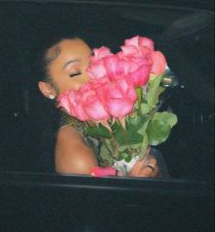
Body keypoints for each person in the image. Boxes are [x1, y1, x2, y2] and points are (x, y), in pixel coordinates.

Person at [37, 36, 162, 178]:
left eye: (92, 64)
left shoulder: (99, 124)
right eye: (75, 72)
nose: (93, 76)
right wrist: (136, 183)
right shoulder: (76, 154)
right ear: (48, 89)